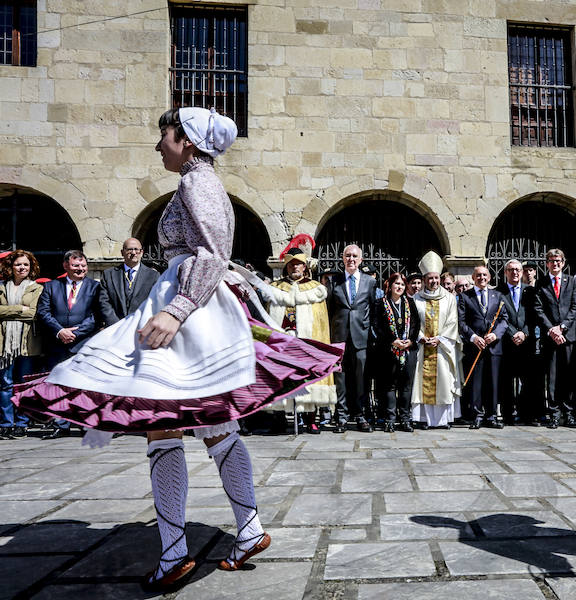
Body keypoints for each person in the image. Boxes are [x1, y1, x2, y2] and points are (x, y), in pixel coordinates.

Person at [13, 107, 343, 589]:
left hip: (190, 307)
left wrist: (176, 310)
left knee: (163, 425)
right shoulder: (196, 181)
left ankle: (174, 555)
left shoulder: (196, 182)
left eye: (163, 136)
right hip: (193, 305)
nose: (158, 145)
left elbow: (213, 253)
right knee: (213, 421)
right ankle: (245, 531)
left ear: (186, 140)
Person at [235, 242, 336, 435]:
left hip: (306, 341)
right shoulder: (276, 288)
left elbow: (322, 322)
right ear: (286, 266)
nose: (295, 267)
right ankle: (279, 418)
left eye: (298, 264)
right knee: (281, 379)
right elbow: (266, 317)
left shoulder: (314, 289)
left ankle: (311, 420)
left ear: (304, 267)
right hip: (283, 342)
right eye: (291, 264)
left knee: (308, 378)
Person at [36, 249, 100, 439]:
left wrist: (77, 332)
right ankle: (60, 424)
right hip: (57, 344)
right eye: (75, 265)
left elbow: (96, 315)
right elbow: (43, 312)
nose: (80, 269)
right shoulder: (51, 286)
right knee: (58, 385)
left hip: (83, 343)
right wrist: (60, 331)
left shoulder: (95, 287)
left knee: (83, 385)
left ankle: (82, 423)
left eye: (83, 265)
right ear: (66, 266)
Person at [326, 244, 377, 433]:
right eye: (348, 256)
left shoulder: (369, 282)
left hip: (361, 338)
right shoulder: (334, 282)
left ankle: (361, 416)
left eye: (355, 256)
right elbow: (329, 310)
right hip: (339, 338)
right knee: (341, 379)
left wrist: (371, 335)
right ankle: (341, 417)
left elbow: (372, 310)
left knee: (361, 379)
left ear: (361, 259)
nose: (351, 259)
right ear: (342, 258)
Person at [410, 251, 462, 428]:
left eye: (436, 278)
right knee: (420, 382)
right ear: (424, 279)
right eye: (430, 278)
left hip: (442, 348)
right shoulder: (415, 299)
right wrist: (421, 337)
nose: (433, 281)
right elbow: (412, 323)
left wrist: (440, 338)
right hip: (422, 348)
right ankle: (423, 419)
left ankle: (443, 420)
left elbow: (453, 322)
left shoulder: (449, 299)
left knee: (444, 382)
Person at [532, 249, 576, 428]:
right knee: (552, 378)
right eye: (551, 261)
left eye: (558, 260)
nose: (555, 263)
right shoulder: (541, 282)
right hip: (550, 337)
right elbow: (538, 308)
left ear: (563, 262)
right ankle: (554, 413)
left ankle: (569, 413)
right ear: (547, 263)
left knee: (569, 376)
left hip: (568, 336)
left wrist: (562, 327)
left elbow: (575, 307)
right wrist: (552, 329)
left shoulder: (572, 281)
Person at [458, 265, 508, 428]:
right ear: (473, 278)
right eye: (478, 275)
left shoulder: (498, 295)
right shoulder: (465, 297)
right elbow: (461, 321)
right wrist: (473, 337)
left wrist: (496, 334)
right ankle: (477, 415)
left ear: (490, 277)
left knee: (493, 383)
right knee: (476, 383)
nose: (482, 278)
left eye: (484, 275)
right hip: (475, 346)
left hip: (494, 346)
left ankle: (492, 416)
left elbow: (504, 320)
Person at [0, 250, 43, 439]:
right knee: (5, 384)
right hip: (4, 344)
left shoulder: (37, 288)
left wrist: (7, 311)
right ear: (11, 267)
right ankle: (6, 423)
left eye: (26, 264)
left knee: (24, 384)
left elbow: (33, 313)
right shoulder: (1, 287)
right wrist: (19, 309)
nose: (22, 267)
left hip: (27, 342)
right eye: (18, 264)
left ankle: (22, 422)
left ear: (31, 267)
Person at [372, 273, 420, 432]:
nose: (399, 287)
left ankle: (405, 419)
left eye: (402, 284)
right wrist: (392, 341)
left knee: (406, 386)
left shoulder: (410, 303)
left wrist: (411, 340)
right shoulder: (380, 304)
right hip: (388, 350)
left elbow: (416, 324)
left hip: (407, 350)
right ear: (390, 285)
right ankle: (390, 419)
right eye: (396, 284)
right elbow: (377, 326)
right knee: (390, 386)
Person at [498, 260, 534, 425]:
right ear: (505, 272)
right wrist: (513, 333)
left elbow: (534, 315)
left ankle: (526, 413)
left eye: (517, 270)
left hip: (526, 343)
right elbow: (498, 316)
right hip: (507, 341)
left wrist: (524, 333)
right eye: (511, 270)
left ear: (522, 272)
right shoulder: (498, 292)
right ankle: (507, 415)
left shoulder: (531, 291)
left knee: (527, 379)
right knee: (506, 380)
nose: (515, 273)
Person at [98, 238, 160, 328]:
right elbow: (104, 302)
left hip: (141, 328)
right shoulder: (108, 274)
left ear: (141, 252)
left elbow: (154, 303)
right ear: (122, 252)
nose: (133, 253)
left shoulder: (153, 276)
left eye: (136, 249)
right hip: (114, 328)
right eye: (130, 249)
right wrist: (116, 325)